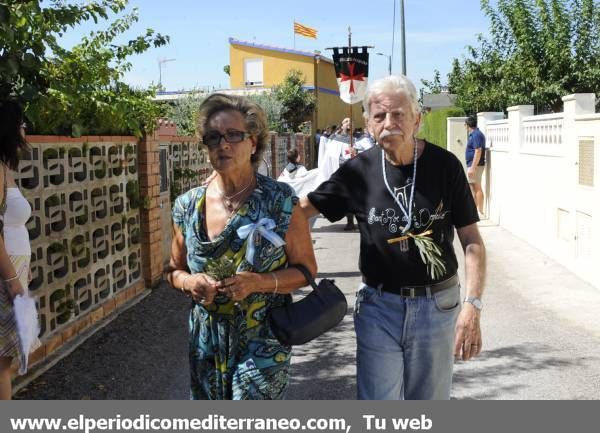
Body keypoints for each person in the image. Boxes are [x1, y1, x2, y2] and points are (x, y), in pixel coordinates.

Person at [299, 75, 486, 400]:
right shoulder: (358, 171)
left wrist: (472, 305)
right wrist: (240, 188)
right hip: (378, 308)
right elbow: (301, 210)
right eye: (379, 116)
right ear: (368, 125)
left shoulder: (445, 167)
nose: (389, 123)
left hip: (438, 306)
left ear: (417, 118)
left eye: (398, 114)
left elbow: (471, 240)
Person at [165, 93, 317, 400]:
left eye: (234, 135)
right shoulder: (187, 207)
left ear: (253, 143)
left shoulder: (281, 202)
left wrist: (260, 282)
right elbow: (173, 270)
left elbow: (306, 271)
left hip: (263, 338)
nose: (223, 145)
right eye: (213, 137)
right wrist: (190, 282)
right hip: (205, 340)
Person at [0, 100, 39, 400]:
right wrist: (12, 279)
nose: (24, 129)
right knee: (2, 360)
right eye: (21, 124)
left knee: (7, 357)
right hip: (5, 275)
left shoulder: (5, 168)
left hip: (15, 270)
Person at [465, 116, 486, 216]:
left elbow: (478, 151)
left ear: (468, 125)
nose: (465, 127)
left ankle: (480, 212)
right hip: (473, 165)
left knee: (477, 187)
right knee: (473, 188)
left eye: (465, 125)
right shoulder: (474, 134)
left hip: (476, 166)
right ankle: (474, 212)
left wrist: (472, 168)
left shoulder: (476, 135)